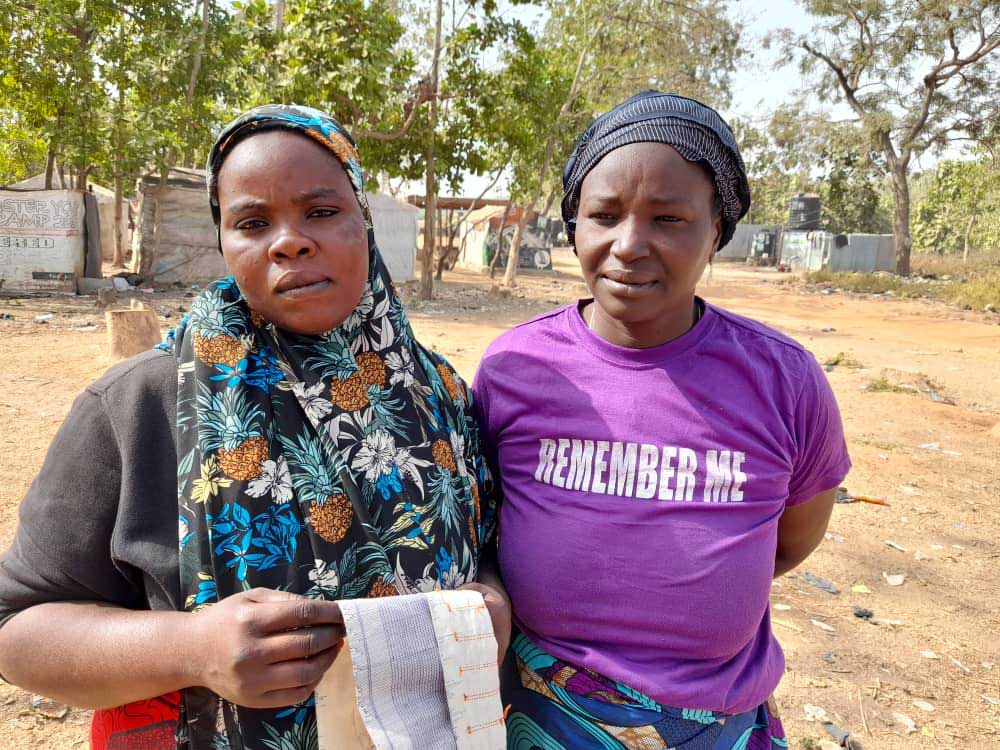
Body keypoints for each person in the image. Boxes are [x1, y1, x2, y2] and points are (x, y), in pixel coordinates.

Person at [0, 104, 508, 749]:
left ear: (365, 224)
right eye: (252, 222)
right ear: (225, 243)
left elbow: (484, 542)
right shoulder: (143, 404)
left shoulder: (439, 394)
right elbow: (16, 628)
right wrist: (192, 649)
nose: (289, 241)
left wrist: (490, 604)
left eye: (321, 212)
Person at [473, 91, 851, 749]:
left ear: (717, 232)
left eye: (669, 219)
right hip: (544, 715)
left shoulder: (784, 380)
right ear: (574, 225)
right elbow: (484, 522)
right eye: (604, 215)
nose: (629, 245)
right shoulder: (516, 367)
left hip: (716, 724)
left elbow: (789, 543)